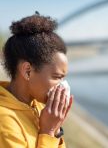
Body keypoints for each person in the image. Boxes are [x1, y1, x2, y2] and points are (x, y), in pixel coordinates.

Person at [0, 12, 73, 148]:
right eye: (57, 77)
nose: (63, 86)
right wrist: (48, 132)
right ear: (28, 71)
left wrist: (56, 130)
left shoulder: (39, 107)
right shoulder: (4, 121)